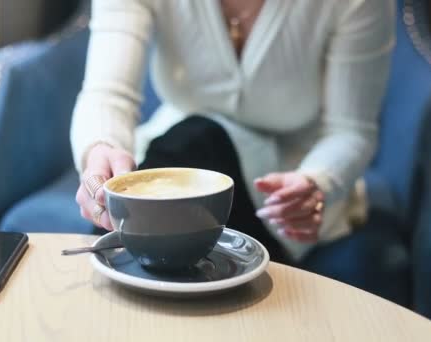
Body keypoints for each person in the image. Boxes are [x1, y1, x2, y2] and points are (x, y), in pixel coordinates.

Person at [73, 0, 395, 266]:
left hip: (287, 177)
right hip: (178, 156)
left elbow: (351, 130)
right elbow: (108, 94)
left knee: (191, 144)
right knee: (192, 142)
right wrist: (100, 152)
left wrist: (317, 182)